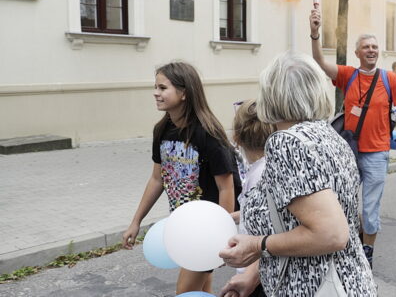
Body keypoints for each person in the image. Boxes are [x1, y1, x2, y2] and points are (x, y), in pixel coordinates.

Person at [219, 52, 377, 296]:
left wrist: (256, 245)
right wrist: (254, 274)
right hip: (351, 281)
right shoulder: (327, 134)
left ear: (271, 96)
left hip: (315, 288)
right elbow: (298, 213)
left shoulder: (287, 142)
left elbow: (331, 233)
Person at [309, 6, 396, 267]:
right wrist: (315, 33)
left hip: (377, 153)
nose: (371, 50)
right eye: (366, 47)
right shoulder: (348, 75)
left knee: (370, 208)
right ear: (357, 53)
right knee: (343, 200)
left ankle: (366, 252)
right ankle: (351, 240)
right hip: (349, 151)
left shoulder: (390, 79)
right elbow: (320, 62)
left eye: (374, 47)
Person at [122, 61, 241, 295]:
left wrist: (221, 235)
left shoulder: (208, 134)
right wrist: (135, 221)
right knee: (201, 289)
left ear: (184, 92)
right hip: (183, 225)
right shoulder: (162, 131)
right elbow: (157, 179)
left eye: (163, 88)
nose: (156, 93)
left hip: (206, 229)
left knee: (184, 289)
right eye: (155, 87)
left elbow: (226, 188)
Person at [227, 100, 276, 296]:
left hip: (258, 276)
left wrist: (248, 276)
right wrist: (236, 216)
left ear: (236, 139)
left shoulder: (258, 176)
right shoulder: (267, 167)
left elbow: (267, 230)